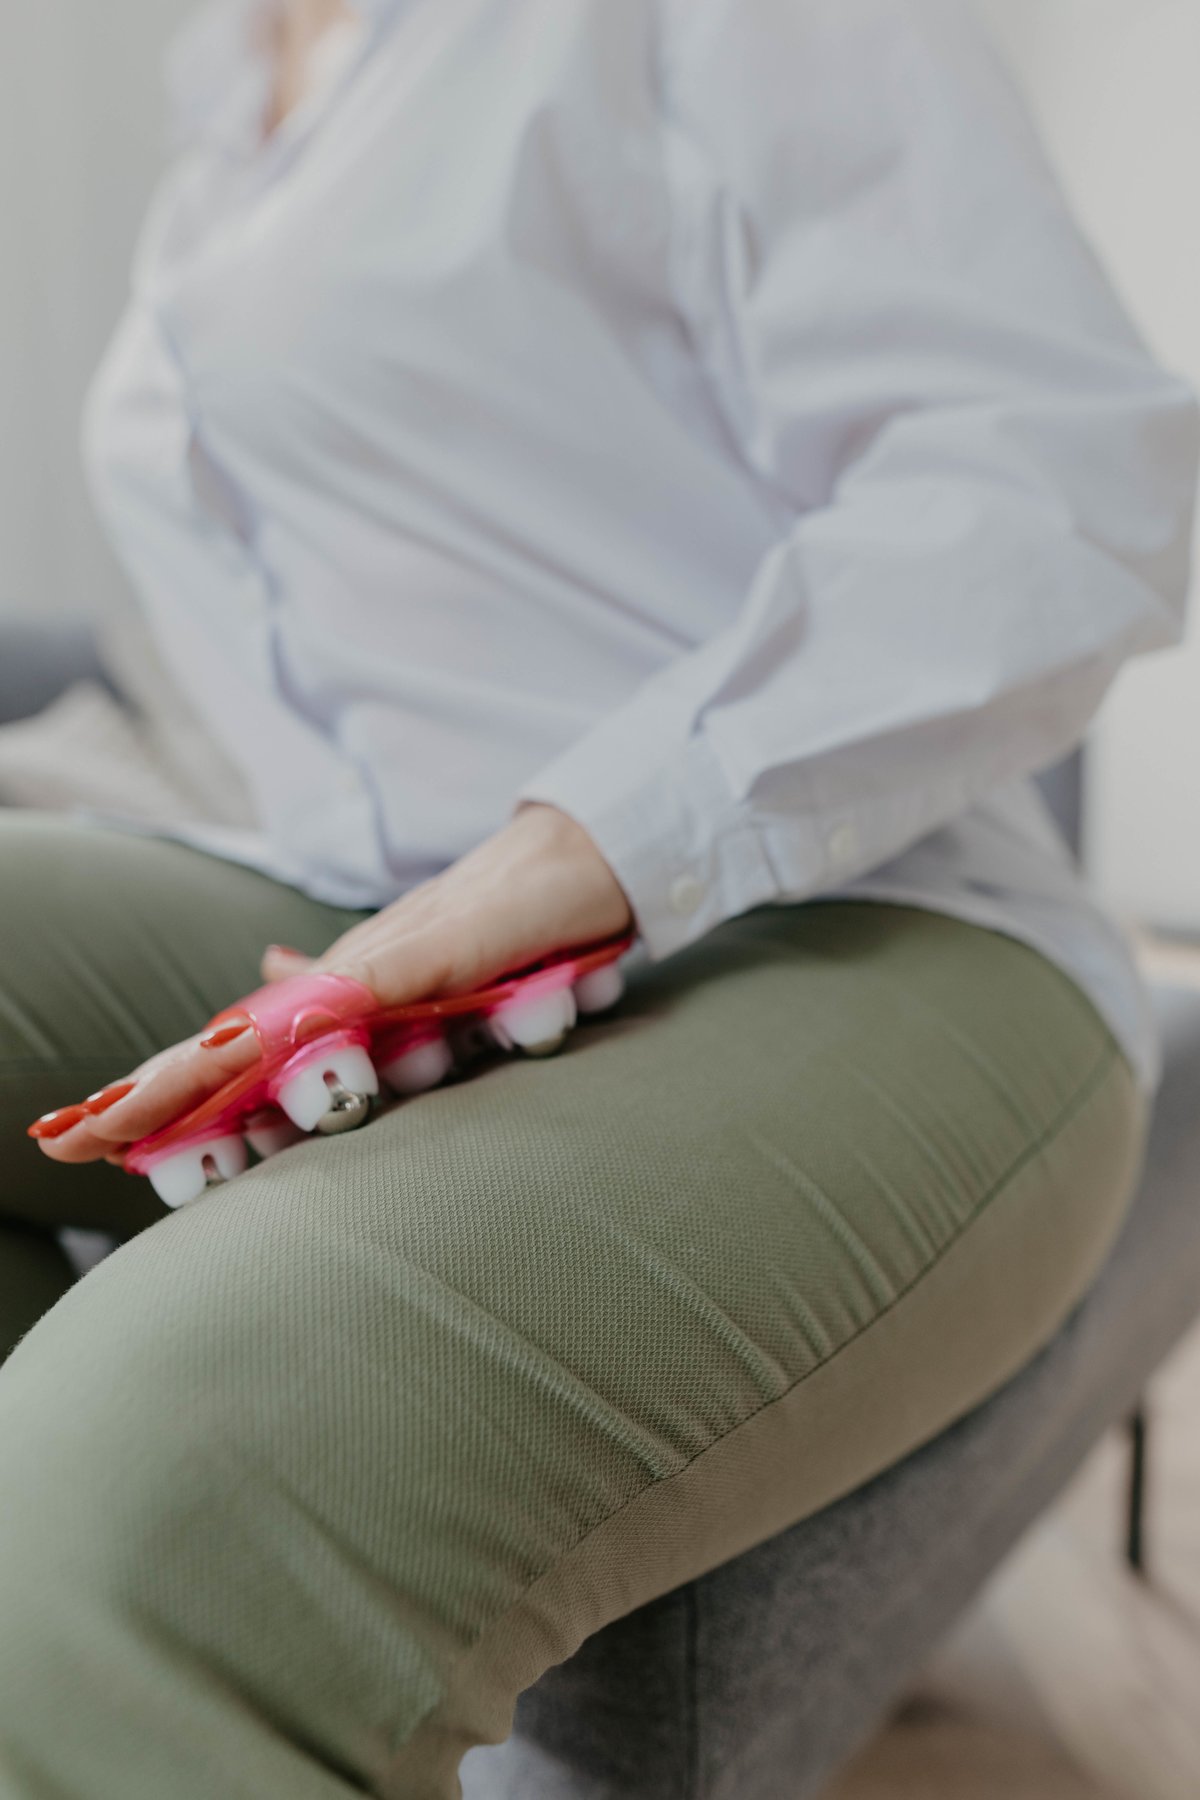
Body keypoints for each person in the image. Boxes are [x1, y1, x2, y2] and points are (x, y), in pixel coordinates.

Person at [0, 1, 1195, 1793]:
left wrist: (580, 850)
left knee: (145, 1487)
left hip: (859, 923)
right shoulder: (222, 115)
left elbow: (1055, 474)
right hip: (361, 901)